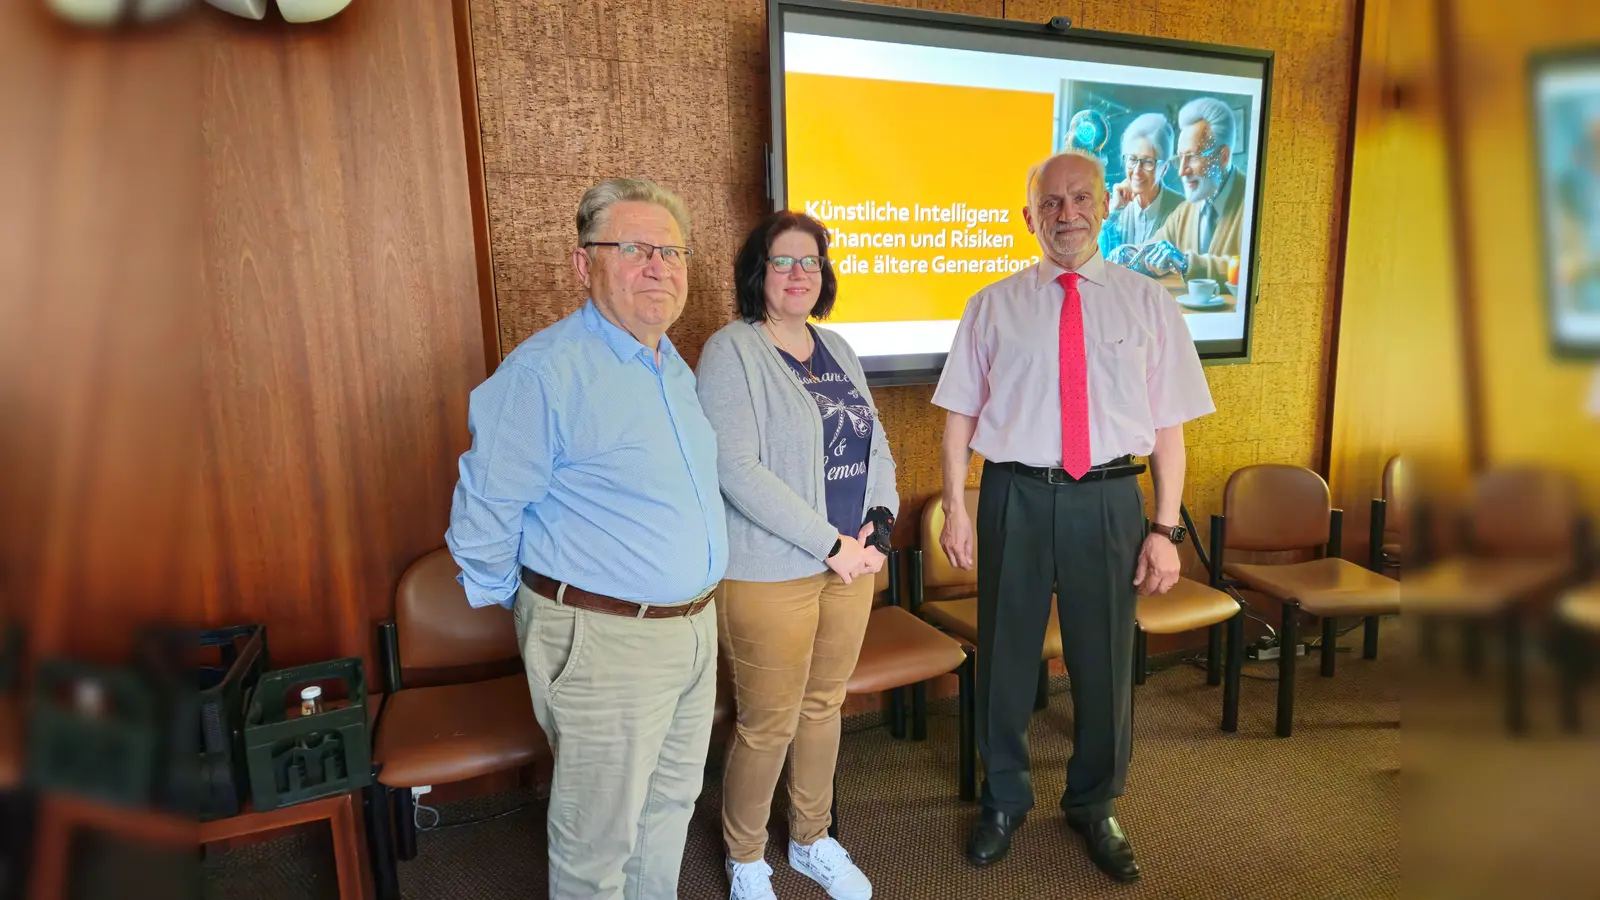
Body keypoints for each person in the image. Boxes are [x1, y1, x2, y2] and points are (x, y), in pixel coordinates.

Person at [932, 149, 1215, 883]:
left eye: (1080, 198)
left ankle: (1094, 802)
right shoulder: (992, 305)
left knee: (1106, 660)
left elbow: (1171, 427)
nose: (1067, 214)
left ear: (1104, 207)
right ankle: (1003, 799)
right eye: (1051, 203)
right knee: (1004, 655)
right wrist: (957, 509)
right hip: (1013, 495)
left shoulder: (1148, 303)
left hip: (1111, 499)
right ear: (1029, 218)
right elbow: (960, 413)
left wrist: (1165, 528)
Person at [444, 177, 727, 900]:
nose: (658, 266)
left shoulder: (672, 367)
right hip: (604, 640)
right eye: (633, 248)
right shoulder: (545, 372)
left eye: (671, 250)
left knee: (666, 812)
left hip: (691, 630)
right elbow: (482, 516)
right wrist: (551, 609)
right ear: (583, 265)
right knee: (596, 843)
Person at [696, 210, 899, 900]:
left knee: (824, 707)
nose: (797, 274)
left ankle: (811, 840)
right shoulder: (732, 349)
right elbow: (735, 468)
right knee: (768, 722)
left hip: (851, 567)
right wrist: (828, 543)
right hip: (770, 571)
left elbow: (875, 444)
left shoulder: (836, 345)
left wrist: (880, 522)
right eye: (782, 262)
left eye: (809, 262)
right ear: (759, 272)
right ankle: (745, 858)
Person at [1110, 97, 1246, 283]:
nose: (1182, 171)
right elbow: (1153, 247)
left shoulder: (1254, 202)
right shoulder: (1187, 209)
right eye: (1180, 158)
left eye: (1192, 157)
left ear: (1223, 157)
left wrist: (1185, 263)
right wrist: (1131, 253)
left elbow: (1250, 267)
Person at [1100, 112, 1182, 253]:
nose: (1137, 170)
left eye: (1148, 162)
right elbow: (1092, 254)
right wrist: (1114, 211)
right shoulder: (1117, 206)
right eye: (1132, 159)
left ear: (1164, 168)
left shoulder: (1182, 210)